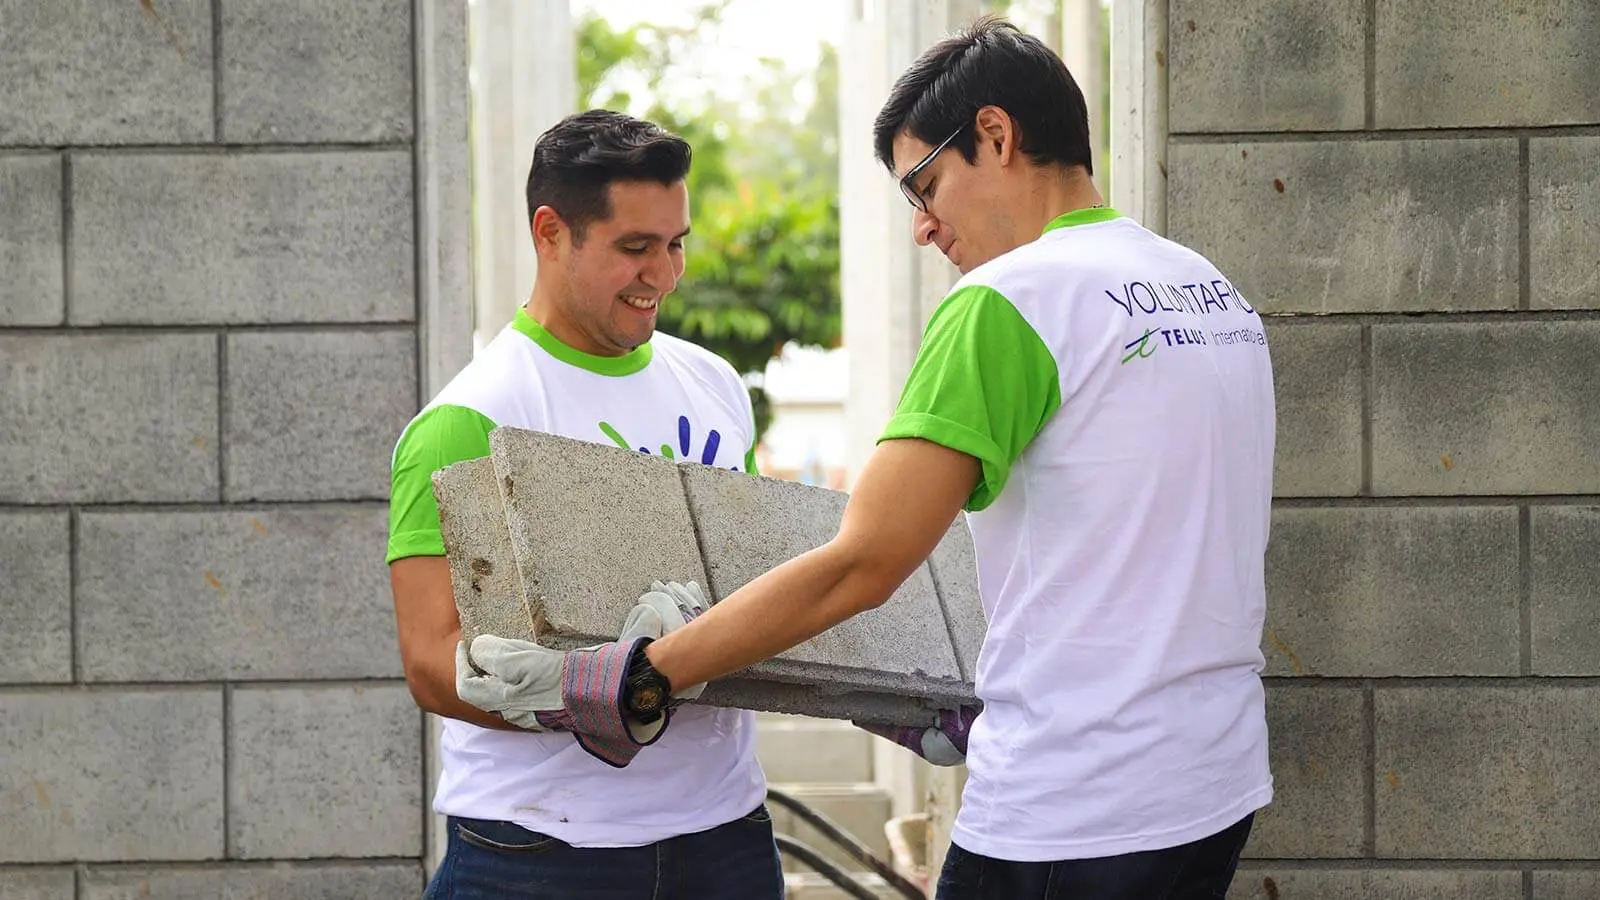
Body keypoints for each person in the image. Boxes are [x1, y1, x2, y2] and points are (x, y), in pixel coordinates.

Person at [458, 16, 1277, 900]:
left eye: (924, 186)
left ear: (995, 136)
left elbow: (866, 560)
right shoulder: (1204, 289)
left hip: (1074, 801)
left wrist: (646, 675)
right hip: (1213, 782)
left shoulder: (1010, 301)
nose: (924, 228)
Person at [386, 109, 783, 900]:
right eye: (634, 248)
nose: (663, 276)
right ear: (550, 232)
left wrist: (879, 687)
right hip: (538, 853)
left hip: (725, 841)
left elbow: (752, 583)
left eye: (675, 245)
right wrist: (583, 695)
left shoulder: (714, 387)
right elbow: (434, 663)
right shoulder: (471, 419)